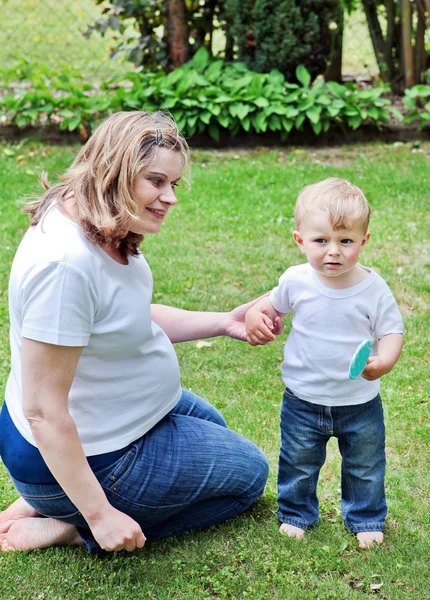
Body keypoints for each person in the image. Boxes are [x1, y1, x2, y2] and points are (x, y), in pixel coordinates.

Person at [0, 111, 278, 554]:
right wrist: (99, 515)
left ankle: (54, 504)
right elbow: (43, 412)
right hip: (89, 452)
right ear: (113, 172)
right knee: (249, 477)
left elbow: (125, 315)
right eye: (155, 181)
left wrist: (225, 321)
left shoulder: (88, 212)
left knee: (217, 430)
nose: (169, 198)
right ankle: (71, 524)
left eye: (173, 184)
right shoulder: (64, 266)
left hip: (117, 420)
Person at [245, 178, 404, 549]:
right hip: (303, 399)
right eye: (321, 241)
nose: (333, 251)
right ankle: (296, 512)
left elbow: (392, 331)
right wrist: (256, 315)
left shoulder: (373, 288)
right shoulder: (296, 280)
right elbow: (270, 305)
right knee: (299, 461)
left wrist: (386, 360)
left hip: (359, 403)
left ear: (363, 241)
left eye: (345, 241)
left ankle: (365, 517)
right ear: (300, 240)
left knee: (365, 467)